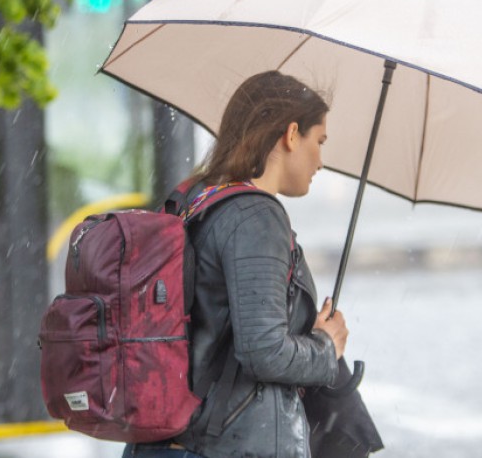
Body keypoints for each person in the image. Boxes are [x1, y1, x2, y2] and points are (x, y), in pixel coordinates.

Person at [124, 71, 349, 458]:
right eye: (319, 141)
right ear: (291, 134)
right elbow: (264, 352)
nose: (321, 161)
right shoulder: (256, 217)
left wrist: (299, 329)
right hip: (224, 446)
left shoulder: (195, 198)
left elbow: (217, 323)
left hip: (167, 439)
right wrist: (326, 348)